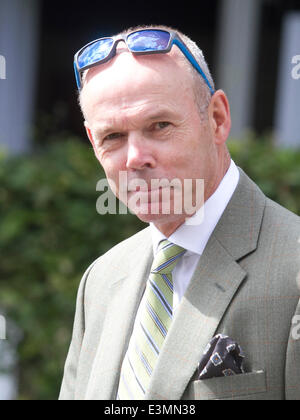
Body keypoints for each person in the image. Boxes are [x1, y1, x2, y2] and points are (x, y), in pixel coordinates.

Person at [59, 25, 300, 400]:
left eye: (160, 126)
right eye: (113, 137)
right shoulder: (101, 281)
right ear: (93, 144)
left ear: (217, 119)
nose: (136, 158)